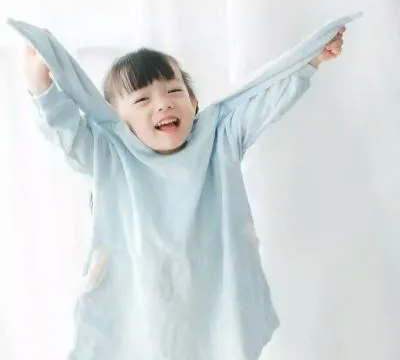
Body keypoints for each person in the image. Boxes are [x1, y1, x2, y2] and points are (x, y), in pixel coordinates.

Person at [24, 26, 345, 360]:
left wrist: (309, 62)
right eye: (143, 99)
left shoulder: (220, 139)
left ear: (193, 103)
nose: (163, 103)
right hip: (141, 312)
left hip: (213, 306)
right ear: (116, 118)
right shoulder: (109, 155)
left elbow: (265, 103)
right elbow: (66, 131)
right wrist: (41, 87)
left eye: (175, 91)